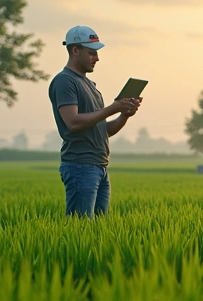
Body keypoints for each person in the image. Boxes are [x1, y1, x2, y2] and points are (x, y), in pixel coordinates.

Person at [49, 25, 141, 216]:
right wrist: (111, 109)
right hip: (80, 166)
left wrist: (124, 115)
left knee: (97, 227)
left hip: (99, 166)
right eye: (91, 53)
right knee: (80, 227)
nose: (97, 58)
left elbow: (102, 130)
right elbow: (73, 122)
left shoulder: (90, 86)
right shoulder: (65, 81)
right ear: (75, 50)